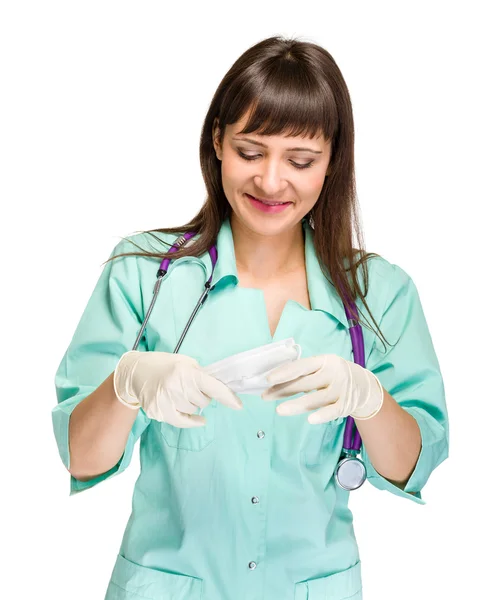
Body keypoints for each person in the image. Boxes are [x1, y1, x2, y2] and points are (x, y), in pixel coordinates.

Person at [52, 35, 449, 600]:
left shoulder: (379, 294)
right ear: (217, 140)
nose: (270, 181)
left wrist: (370, 400)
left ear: (333, 159)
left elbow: (415, 463)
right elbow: (82, 455)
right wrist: (127, 385)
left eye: (301, 160)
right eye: (250, 151)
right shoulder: (144, 274)